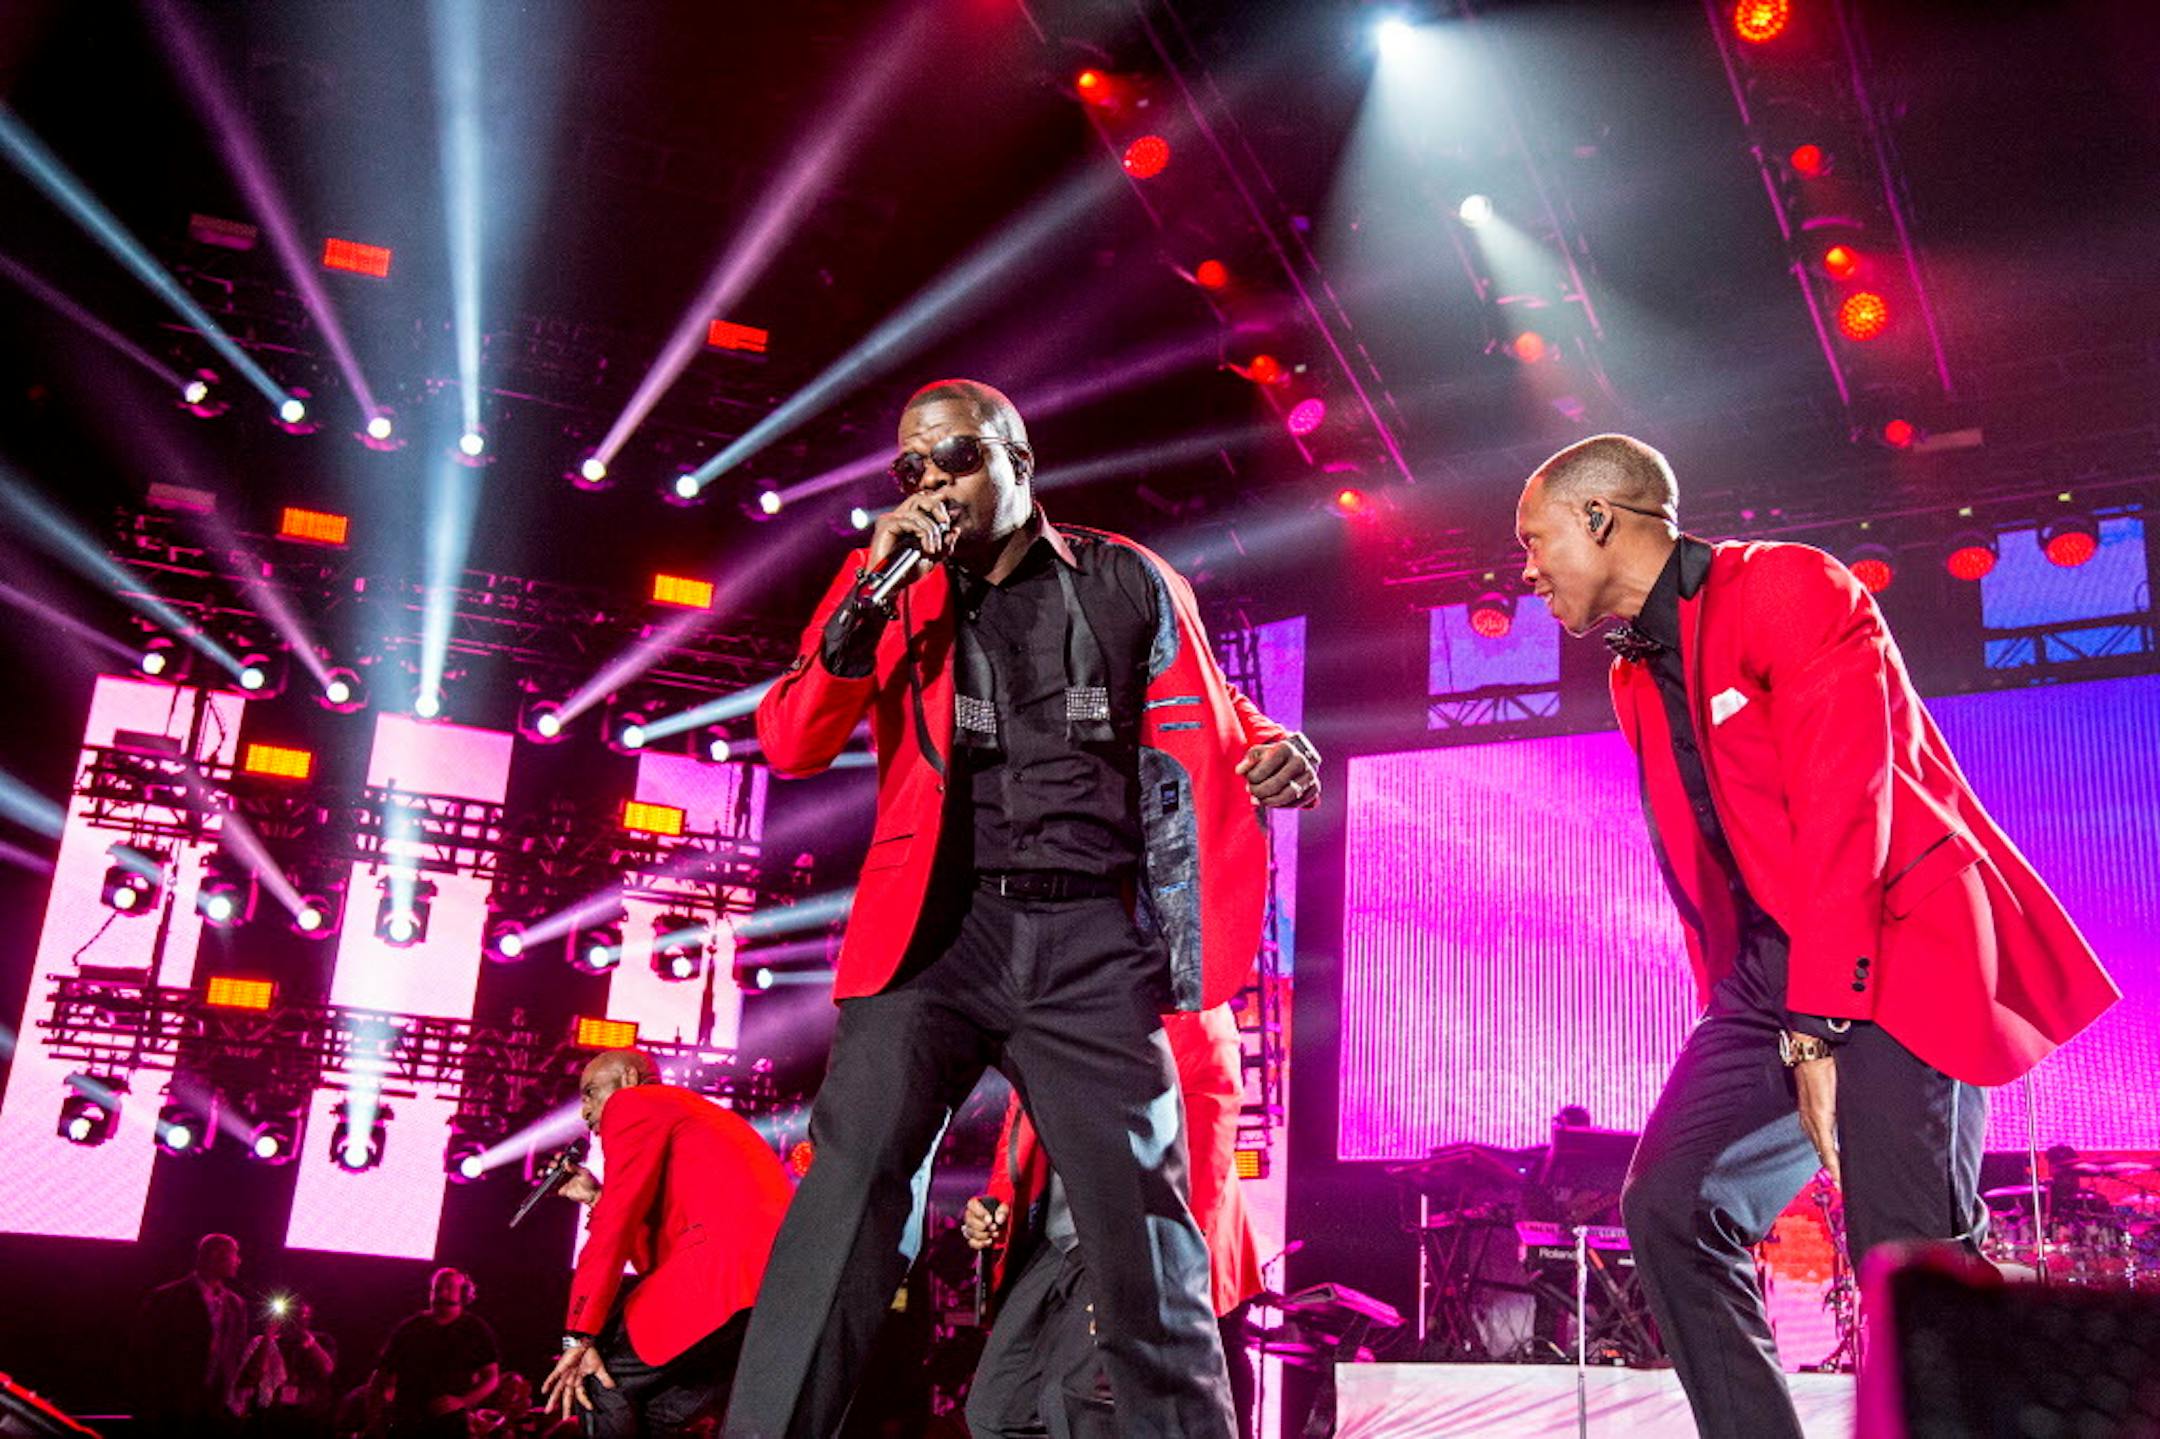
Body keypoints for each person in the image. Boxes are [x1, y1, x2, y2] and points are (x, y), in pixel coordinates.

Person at [724, 378, 1318, 1439]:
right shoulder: (886, 584)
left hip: (1094, 936)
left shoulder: (1123, 575)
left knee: (1146, 1232)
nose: (932, 483)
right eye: (910, 467)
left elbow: (1218, 711)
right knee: (848, 1189)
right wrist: (866, 590)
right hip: (939, 931)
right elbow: (792, 736)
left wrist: (1273, 749)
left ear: (1017, 461)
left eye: (954, 457)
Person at [1513, 433, 2119, 1437]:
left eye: (1535, 542)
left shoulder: (1789, 587)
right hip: (1768, 977)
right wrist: (1765, 1009)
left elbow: (1850, 817)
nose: (1527, 572)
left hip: (1894, 940)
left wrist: (1815, 1029)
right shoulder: (1630, 678)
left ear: (1600, 519)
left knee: (1910, 1260)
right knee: (1668, 1202)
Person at [963, 1003, 1263, 1439]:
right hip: (1064, 1236)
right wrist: (995, 1202)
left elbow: (1207, 1133)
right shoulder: (1053, 1006)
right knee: (997, 1411)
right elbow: (1022, 1118)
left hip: (1145, 1234)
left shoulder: (1191, 1011)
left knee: (1078, 1399)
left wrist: (1157, 1269)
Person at [540, 1049, 795, 1436]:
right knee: (657, 1413)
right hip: (766, 1294)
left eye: (590, 1092)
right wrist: (597, 1198)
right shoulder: (686, 1114)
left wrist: (578, 1334)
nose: (585, 1111)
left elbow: (616, 1226)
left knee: (597, 1371)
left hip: (724, 1277)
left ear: (627, 1078)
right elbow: (656, 1261)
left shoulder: (632, 1103)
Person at [133, 1231, 252, 1431]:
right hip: (170, 1403)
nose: (238, 1261)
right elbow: (144, 1350)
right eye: (234, 1254)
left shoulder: (236, 1304)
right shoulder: (167, 1298)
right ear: (215, 1255)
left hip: (215, 1405)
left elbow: (235, 1352)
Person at [369, 1267, 499, 1438]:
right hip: (407, 1423)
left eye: (449, 1287)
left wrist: (463, 1401)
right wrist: (378, 1415)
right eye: (437, 1288)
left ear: (464, 1294)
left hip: (449, 1425)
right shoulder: (410, 1327)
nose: (442, 1293)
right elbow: (382, 1376)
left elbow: (491, 1378)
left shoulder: (475, 1329)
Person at [233, 1294, 339, 1436]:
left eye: (303, 1316)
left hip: (310, 1416)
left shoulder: (321, 1340)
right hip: (275, 1416)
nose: (298, 1321)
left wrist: (309, 1342)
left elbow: (328, 1369)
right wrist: (269, 1335)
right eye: (294, 1316)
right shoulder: (271, 1342)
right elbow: (253, 1375)